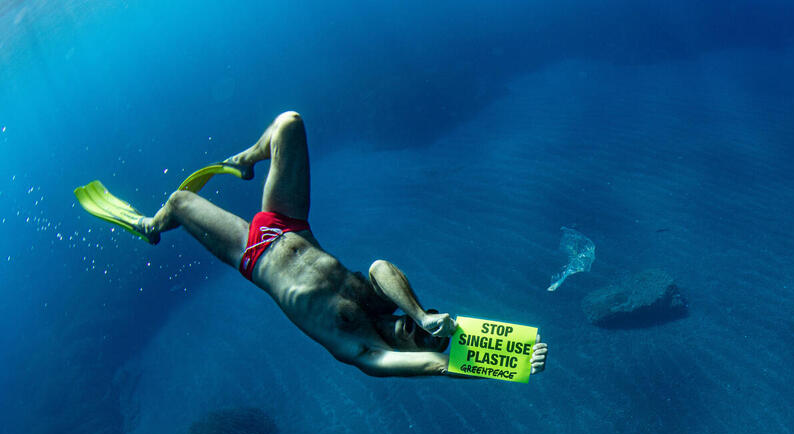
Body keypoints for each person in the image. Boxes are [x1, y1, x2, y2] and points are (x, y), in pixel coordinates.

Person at [80, 111, 547, 378]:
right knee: (289, 124)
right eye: (420, 329)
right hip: (289, 225)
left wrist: (515, 360)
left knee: (180, 202)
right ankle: (247, 158)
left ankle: (148, 226)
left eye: (418, 336)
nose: (415, 333)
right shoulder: (388, 306)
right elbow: (382, 265)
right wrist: (422, 313)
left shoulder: (361, 350)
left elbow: (434, 367)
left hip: (254, 254)